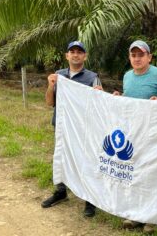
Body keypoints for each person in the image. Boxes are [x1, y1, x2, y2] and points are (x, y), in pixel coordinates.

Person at [114, 40, 157, 234]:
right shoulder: (127, 76)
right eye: (134, 55)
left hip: (154, 134)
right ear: (129, 58)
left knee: (153, 174)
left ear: (149, 57)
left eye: (141, 55)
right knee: (134, 172)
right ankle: (134, 215)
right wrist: (119, 97)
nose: (137, 58)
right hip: (132, 134)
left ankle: (152, 219)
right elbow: (129, 97)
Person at [41, 40, 102, 218]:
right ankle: (61, 192)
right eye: (72, 51)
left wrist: (99, 92)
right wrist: (51, 85)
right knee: (61, 157)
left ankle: (89, 200)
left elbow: (99, 104)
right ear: (67, 55)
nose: (75, 54)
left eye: (79, 52)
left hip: (84, 129)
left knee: (87, 161)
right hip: (61, 127)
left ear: (85, 56)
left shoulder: (92, 77)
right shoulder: (58, 75)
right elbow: (49, 103)